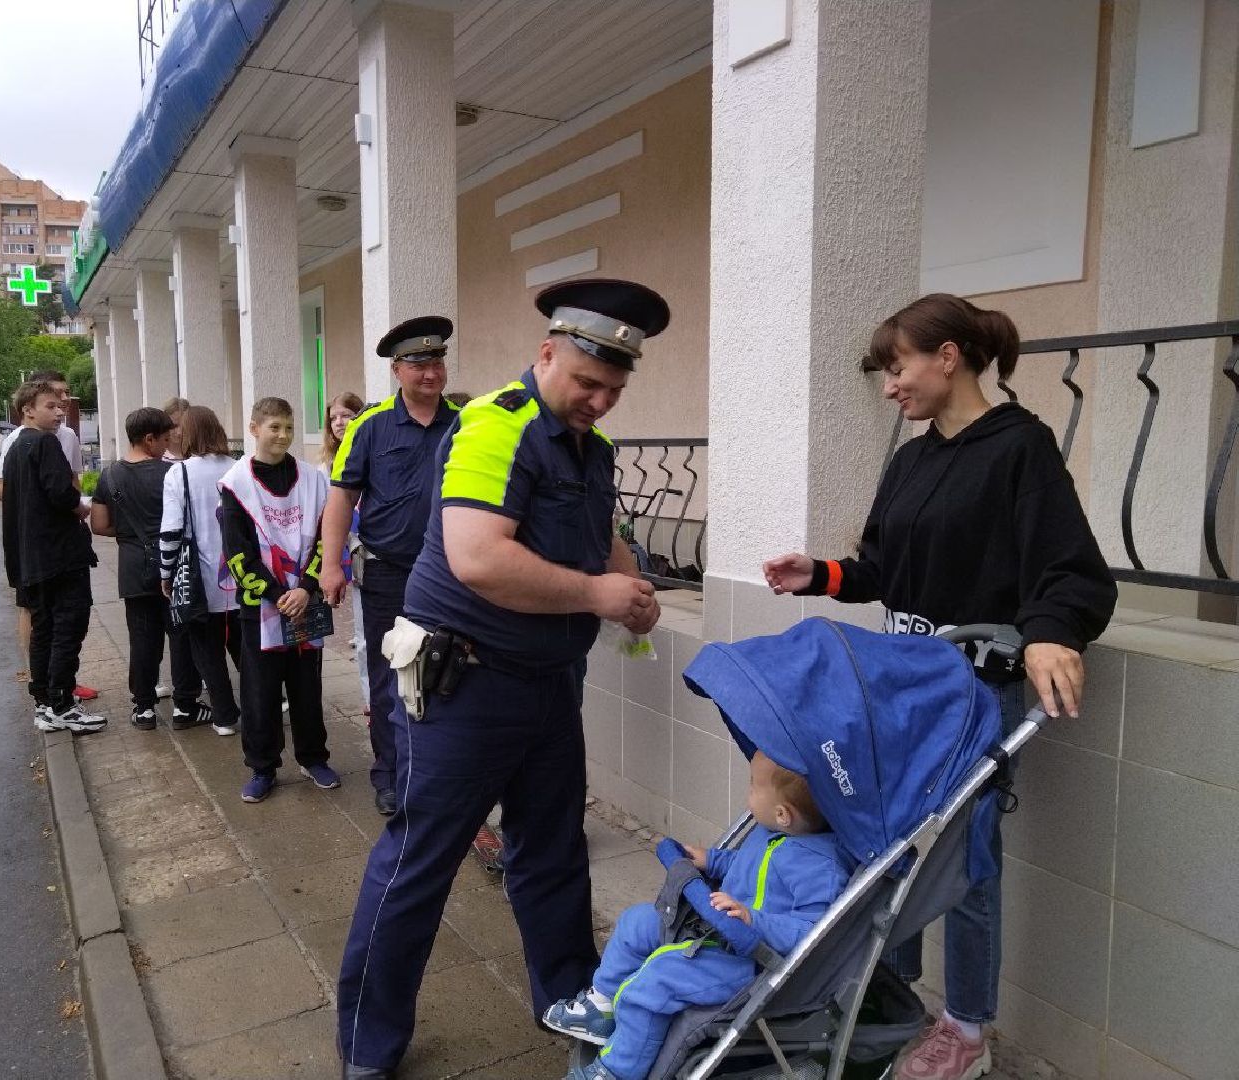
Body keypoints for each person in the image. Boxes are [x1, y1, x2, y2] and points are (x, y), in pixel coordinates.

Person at [762, 293, 1117, 1080]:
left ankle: (966, 1028)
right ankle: (893, 996)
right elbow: (885, 568)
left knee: (966, 865)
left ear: (947, 356)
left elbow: (1068, 566)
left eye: (898, 368)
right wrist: (818, 573)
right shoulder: (914, 458)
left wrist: (1052, 631)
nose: (891, 387)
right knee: (887, 844)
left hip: (976, 696)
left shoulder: (1019, 448)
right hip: (905, 686)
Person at [336, 279, 668, 1079]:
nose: (599, 402)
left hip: (549, 684)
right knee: (421, 860)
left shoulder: (595, 449)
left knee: (552, 851)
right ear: (546, 353)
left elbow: (599, 536)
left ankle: (568, 999)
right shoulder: (495, 424)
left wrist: (632, 591)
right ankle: (367, 1047)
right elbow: (479, 556)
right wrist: (597, 594)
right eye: (587, 383)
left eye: (614, 390)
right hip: (466, 687)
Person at [543, 750, 849, 1080]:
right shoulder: (768, 833)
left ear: (782, 814)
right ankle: (602, 1004)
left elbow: (813, 930)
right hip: (711, 928)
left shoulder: (821, 868)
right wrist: (712, 861)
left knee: (658, 979)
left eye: (752, 785)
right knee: (638, 922)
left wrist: (753, 920)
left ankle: (618, 1069)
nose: (747, 793)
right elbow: (743, 866)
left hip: (747, 961)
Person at [318, 318, 461, 816]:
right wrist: (329, 567)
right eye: (419, 364)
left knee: (450, 673)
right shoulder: (369, 426)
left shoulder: (465, 423)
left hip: (451, 576)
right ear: (397, 370)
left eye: (437, 361)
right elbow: (341, 500)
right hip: (388, 574)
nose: (430, 372)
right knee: (388, 678)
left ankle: (439, 771)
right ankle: (390, 774)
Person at [219, 397, 338, 802]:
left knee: (307, 687)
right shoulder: (236, 484)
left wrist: (307, 586)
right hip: (261, 607)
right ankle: (263, 767)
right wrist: (276, 593)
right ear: (254, 429)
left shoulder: (312, 479)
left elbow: (327, 536)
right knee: (260, 692)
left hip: (306, 599)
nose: (283, 436)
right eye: (274, 427)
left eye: (288, 427)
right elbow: (237, 553)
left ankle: (313, 757)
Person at [90, 407, 209, 732]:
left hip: (133, 567)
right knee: (181, 636)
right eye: (166, 439)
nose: (169, 445)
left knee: (142, 640)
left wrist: (128, 533)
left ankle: (143, 708)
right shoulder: (172, 473)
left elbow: (99, 525)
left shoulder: (110, 475)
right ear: (149, 438)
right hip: (174, 565)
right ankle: (186, 707)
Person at [0, 380, 104, 734]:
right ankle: (61, 703)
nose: (59, 411)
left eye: (60, 405)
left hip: (33, 559)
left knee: (44, 630)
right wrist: (81, 508)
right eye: (50, 405)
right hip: (60, 556)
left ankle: (44, 702)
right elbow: (62, 493)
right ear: (28, 409)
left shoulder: (15, 446)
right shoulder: (43, 442)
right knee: (68, 627)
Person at [160, 405, 242, 737]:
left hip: (199, 579)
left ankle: (224, 716)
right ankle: (260, 705)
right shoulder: (239, 468)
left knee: (207, 650)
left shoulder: (178, 474)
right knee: (244, 648)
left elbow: (171, 530)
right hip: (241, 574)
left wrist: (166, 573)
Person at [320, 391, 371, 716]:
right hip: (347, 551)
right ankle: (369, 700)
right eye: (334, 417)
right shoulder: (324, 466)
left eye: (346, 415)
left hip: (374, 547)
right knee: (363, 632)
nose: (339, 422)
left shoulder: (370, 450)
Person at [161, 396, 190, 461]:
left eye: (184, 426)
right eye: (174, 426)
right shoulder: (157, 457)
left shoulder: (198, 455)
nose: (179, 432)